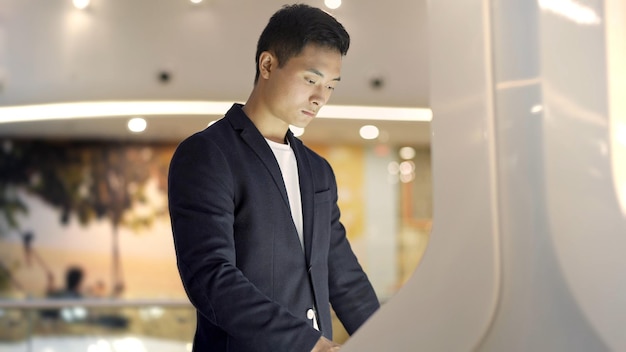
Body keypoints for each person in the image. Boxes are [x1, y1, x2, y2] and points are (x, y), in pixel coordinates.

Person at [168, 4, 380, 351]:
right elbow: (210, 276)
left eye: (330, 86)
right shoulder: (208, 154)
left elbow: (344, 278)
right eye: (311, 80)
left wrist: (390, 340)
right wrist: (307, 344)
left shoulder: (317, 170)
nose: (320, 98)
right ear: (267, 65)